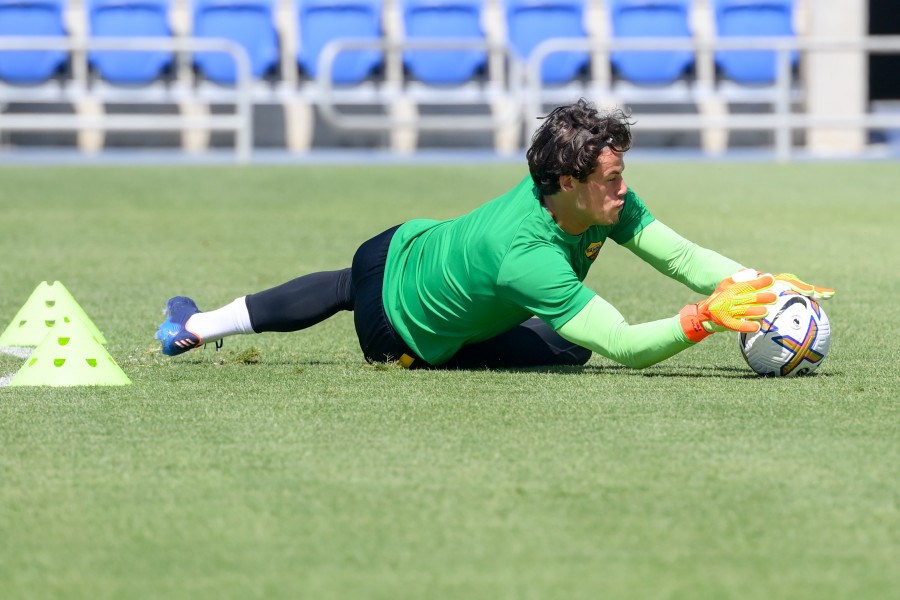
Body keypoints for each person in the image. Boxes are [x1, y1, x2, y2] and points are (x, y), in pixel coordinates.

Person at [156, 99, 834, 370]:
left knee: (341, 281)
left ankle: (195, 323)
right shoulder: (528, 257)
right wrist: (704, 320)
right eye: (612, 177)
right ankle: (199, 323)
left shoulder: (592, 196)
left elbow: (680, 254)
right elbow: (628, 346)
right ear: (570, 182)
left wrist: (757, 281)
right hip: (399, 331)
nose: (624, 189)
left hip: (398, 244)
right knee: (574, 349)